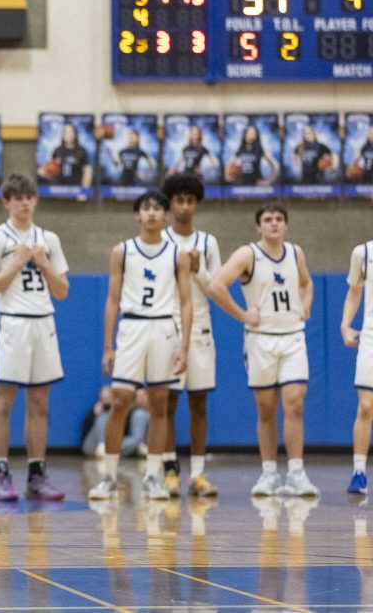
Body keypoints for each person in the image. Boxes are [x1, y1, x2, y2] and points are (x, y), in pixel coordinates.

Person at [207, 203, 318, 497]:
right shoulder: (248, 254)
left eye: (279, 219)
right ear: (258, 227)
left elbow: (307, 284)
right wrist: (243, 314)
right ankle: (269, 473)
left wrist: (306, 304)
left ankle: (296, 473)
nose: (274, 224)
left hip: (293, 336)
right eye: (268, 220)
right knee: (267, 408)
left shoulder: (296, 253)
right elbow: (216, 286)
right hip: (261, 339)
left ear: (286, 225)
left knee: (295, 403)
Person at [88, 190, 192, 501]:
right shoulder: (122, 251)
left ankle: (153, 477)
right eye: (146, 208)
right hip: (131, 326)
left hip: (163, 326)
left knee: (159, 405)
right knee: (120, 401)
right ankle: (107, 477)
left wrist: (185, 346)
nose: (151, 213)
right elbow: (112, 300)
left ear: (165, 215)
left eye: (158, 208)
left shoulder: (178, 254)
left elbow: (186, 302)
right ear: (137, 214)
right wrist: (108, 345)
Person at [0, 173, 69, 502]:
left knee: (40, 402)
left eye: (29, 196)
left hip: (44, 322)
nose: (25, 202)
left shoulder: (49, 239)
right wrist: (16, 263)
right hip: (13, 323)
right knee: (4, 401)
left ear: (36, 199)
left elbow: (62, 291)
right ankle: (0, 472)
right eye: (17, 197)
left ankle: (37, 473)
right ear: (6, 201)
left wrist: (43, 263)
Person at [159, 173, 221, 497]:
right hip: (168, 327)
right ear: (170, 204)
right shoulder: (160, 240)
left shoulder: (208, 243)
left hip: (200, 329)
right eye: (179, 200)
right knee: (167, 404)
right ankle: (169, 470)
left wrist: (199, 269)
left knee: (199, 404)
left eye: (190, 201)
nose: (184, 207)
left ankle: (197, 474)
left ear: (197, 204)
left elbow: (215, 288)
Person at [341, 238, 373, 494]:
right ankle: (359, 471)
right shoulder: (362, 252)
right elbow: (354, 291)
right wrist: (345, 324)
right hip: (370, 338)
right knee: (366, 406)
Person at [80, 387, 149, 458]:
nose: (140, 399)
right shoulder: (103, 409)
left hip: (121, 446)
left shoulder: (137, 414)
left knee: (140, 415)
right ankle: (103, 446)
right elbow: (85, 428)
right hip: (95, 444)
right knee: (104, 415)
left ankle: (107, 449)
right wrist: (93, 414)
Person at [39, 123, 92, 188]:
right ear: (63, 135)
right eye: (66, 132)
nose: (68, 135)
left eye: (70, 132)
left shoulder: (82, 151)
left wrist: (84, 191)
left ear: (75, 134)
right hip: (59, 188)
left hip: (76, 187)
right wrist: (44, 172)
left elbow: (87, 172)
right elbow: (45, 168)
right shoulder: (57, 150)